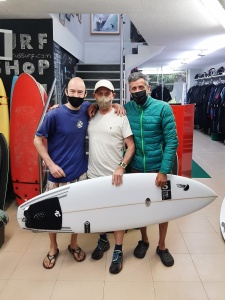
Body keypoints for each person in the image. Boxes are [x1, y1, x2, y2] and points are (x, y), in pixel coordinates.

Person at [34, 77, 125, 269]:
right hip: (55, 176)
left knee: (76, 212)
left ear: (84, 95)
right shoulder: (54, 114)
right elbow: (37, 140)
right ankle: (52, 248)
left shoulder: (86, 109)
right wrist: (49, 164)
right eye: (72, 91)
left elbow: (103, 101)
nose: (76, 95)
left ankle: (73, 244)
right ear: (66, 91)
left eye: (79, 92)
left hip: (79, 174)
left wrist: (116, 104)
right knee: (53, 215)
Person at [124, 72, 178, 267]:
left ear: (148, 88)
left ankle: (162, 246)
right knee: (142, 206)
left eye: (141, 87)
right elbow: (106, 113)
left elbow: (172, 141)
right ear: (129, 91)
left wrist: (164, 170)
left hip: (159, 168)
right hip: (137, 169)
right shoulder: (126, 109)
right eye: (133, 89)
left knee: (164, 207)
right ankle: (144, 239)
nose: (137, 91)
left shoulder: (163, 108)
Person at [87, 79, 135, 274]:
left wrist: (122, 167)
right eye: (100, 93)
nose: (104, 96)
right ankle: (103, 240)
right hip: (93, 175)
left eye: (108, 93)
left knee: (117, 214)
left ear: (114, 95)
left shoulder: (120, 116)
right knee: (98, 212)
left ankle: (118, 250)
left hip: (115, 177)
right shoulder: (90, 113)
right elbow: (71, 107)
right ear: (94, 96)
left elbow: (130, 145)